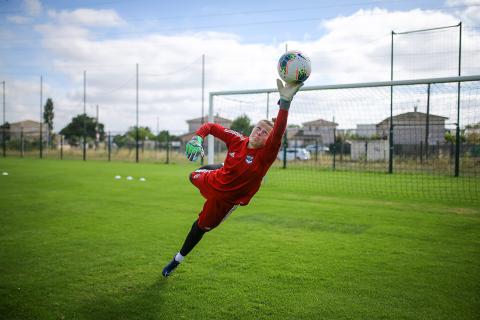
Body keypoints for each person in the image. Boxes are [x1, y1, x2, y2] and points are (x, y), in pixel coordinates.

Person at [162, 79, 303, 277]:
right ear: (252, 129)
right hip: (215, 179)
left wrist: (285, 103)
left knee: (202, 227)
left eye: (264, 133)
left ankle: (176, 260)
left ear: (268, 140)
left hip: (226, 200)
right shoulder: (237, 140)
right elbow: (210, 126)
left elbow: (278, 131)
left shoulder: (266, 154)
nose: (259, 133)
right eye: (258, 129)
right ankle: (223, 167)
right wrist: (197, 137)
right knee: (192, 175)